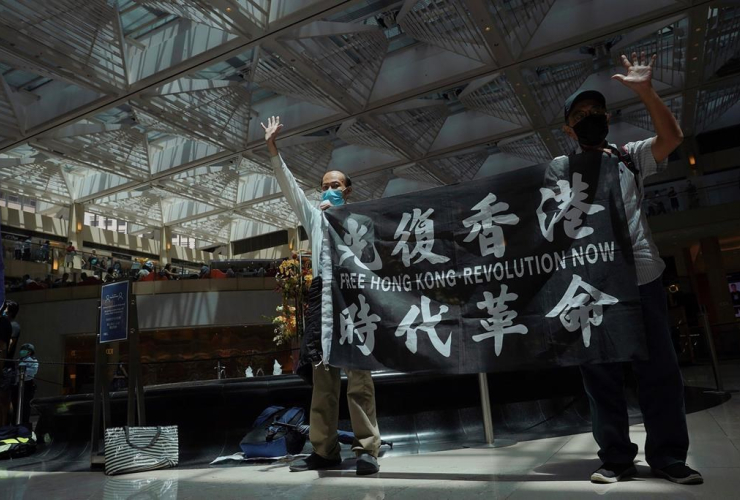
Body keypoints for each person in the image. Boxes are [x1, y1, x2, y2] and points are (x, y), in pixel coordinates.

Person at [560, 51, 700, 484]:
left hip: (643, 277)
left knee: (659, 371)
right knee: (600, 375)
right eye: (581, 115)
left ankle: (668, 456)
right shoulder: (558, 172)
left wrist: (645, 91)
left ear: (606, 116)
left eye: (596, 111)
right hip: (590, 285)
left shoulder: (628, 156)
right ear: (569, 128)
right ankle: (617, 458)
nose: (590, 118)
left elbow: (672, 137)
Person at [263, 115, 381, 476]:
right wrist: (272, 148)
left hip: (354, 295)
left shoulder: (363, 220)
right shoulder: (314, 218)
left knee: (359, 377)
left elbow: (373, 260)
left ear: (348, 190)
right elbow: (289, 187)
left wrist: (343, 219)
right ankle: (324, 449)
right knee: (323, 376)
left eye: (337, 185)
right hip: (322, 295)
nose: (330, 188)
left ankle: (367, 450)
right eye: (326, 185)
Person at [11, 343, 38, 429]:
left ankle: (24, 427)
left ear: (29, 352)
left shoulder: (33, 360)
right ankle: (15, 425)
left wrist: (21, 370)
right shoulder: (19, 360)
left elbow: (31, 372)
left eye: (24, 350)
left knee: (26, 406)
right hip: (17, 385)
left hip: (27, 385)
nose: (21, 351)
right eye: (21, 349)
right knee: (15, 405)